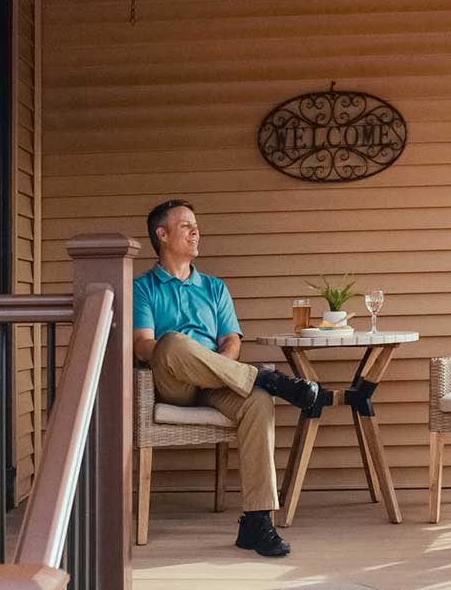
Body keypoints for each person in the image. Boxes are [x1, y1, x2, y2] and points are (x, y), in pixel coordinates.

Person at [133, 199, 331, 558]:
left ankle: (257, 520)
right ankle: (269, 379)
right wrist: (185, 354)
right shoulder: (142, 287)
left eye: (196, 225)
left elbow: (231, 341)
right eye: (186, 226)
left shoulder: (214, 287)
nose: (196, 232)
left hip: (218, 381)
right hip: (173, 383)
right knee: (172, 342)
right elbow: (144, 346)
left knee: (257, 401)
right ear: (161, 235)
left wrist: (217, 369)